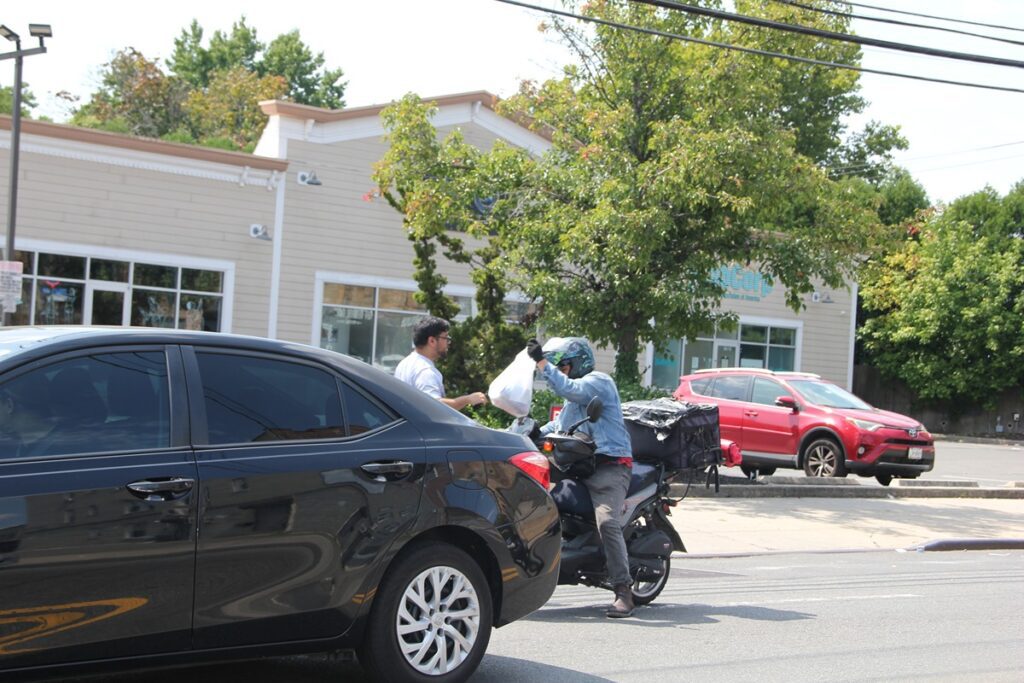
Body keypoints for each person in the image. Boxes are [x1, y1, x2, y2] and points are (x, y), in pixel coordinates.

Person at [527, 336, 635, 618]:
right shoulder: (573, 398)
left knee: (608, 522)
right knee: (537, 493)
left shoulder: (597, 382)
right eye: (557, 367)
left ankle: (623, 590)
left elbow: (570, 389)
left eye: (563, 365)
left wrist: (541, 363)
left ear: (578, 362)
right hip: (579, 465)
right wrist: (532, 432)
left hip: (609, 467)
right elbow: (561, 424)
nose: (560, 371)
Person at [395, 316, 488, 411]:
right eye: (446, 338)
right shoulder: (425, 371)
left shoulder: (404, 363)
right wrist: (467, 399)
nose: (448, 343)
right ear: (432, 341)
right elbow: (434, 406)